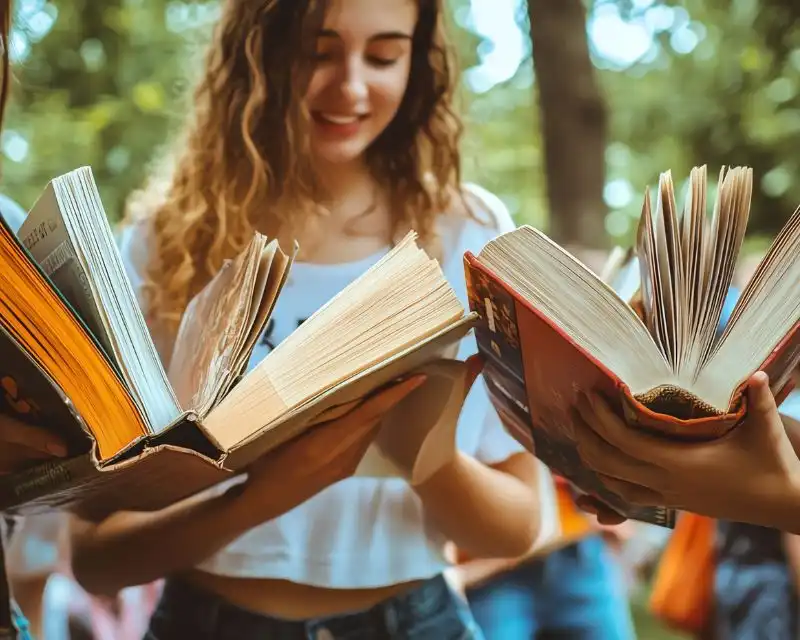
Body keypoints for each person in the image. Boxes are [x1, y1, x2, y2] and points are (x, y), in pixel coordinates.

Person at [68, 1, 542, 638]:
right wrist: (261, 495)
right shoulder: (166, 243)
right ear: (258, 52)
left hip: (414, 621)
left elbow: (516, 526)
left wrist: (429, 460)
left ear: (417, 64)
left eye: (383, 55)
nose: (349, 86)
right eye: (318, 51)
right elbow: (94, 558)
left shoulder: (469, 232)